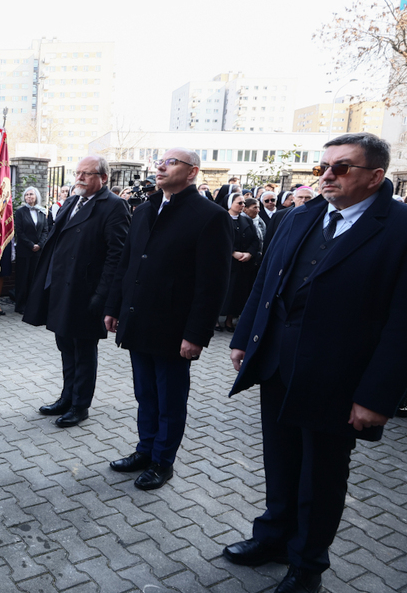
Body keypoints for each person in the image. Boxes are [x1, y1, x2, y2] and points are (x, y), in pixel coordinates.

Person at [223, 133, 407, 593]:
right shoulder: (300, 215)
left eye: (340, 167)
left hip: (338, 379)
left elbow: (403, 323)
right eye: (321, 167)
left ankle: (306, 565)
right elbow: (266, 282)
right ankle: (273, 537)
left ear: (375, 176)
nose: (326, 176)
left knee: (321, 476)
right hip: (277, 365)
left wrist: (377, 396)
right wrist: (245, 339)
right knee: (280, 461)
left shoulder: (399, 227)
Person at [104, 149, 232, 490]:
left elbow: (212, 283)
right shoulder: (145, 209)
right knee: (145, 395)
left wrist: (196, 334)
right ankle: (145, 450)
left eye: (171, 162)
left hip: (174, 328)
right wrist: (114, 307)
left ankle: (163, 461)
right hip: (138, 319)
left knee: (170, 401)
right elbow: (127, 264)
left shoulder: (210, 216)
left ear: (192, 172)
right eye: (160, 161)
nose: (160, 166)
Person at [23, 156, 130, 428]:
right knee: (65, 346)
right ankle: (66, 398)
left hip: (87, 292)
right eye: (78, 172)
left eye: (86, 173)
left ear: (103, 178)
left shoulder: (114, 206)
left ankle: (80, 405)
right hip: (61, 287)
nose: (79, 177)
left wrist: (103, 297)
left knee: (83, 350)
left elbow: (116, 256)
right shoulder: (72, 201)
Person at [217, 193, 261, 332]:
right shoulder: (220, 219)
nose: (243, 205)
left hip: (243, 264)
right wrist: (233, 252)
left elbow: (255, 240)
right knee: (222, 292)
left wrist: (249, 253)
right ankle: (216, 320)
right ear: (230, 204)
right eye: (239, 203)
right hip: (226, 263)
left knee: (237, 293)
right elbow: (217, 240)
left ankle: (229, 320)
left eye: (243, 203)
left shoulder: (247, 220)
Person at [13, 185, 49, 314]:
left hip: (38, 251)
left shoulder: (41, 211)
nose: (29, 197)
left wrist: (40, 244)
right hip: (25, 250)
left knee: (34, 278)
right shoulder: (20, 212)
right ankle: (20, 305)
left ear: (36, 196)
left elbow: (45, 230)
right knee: (23, 278)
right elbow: (19, 231)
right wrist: (31, 245)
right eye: (27, 195)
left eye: (31, 194)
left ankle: (32, 304)